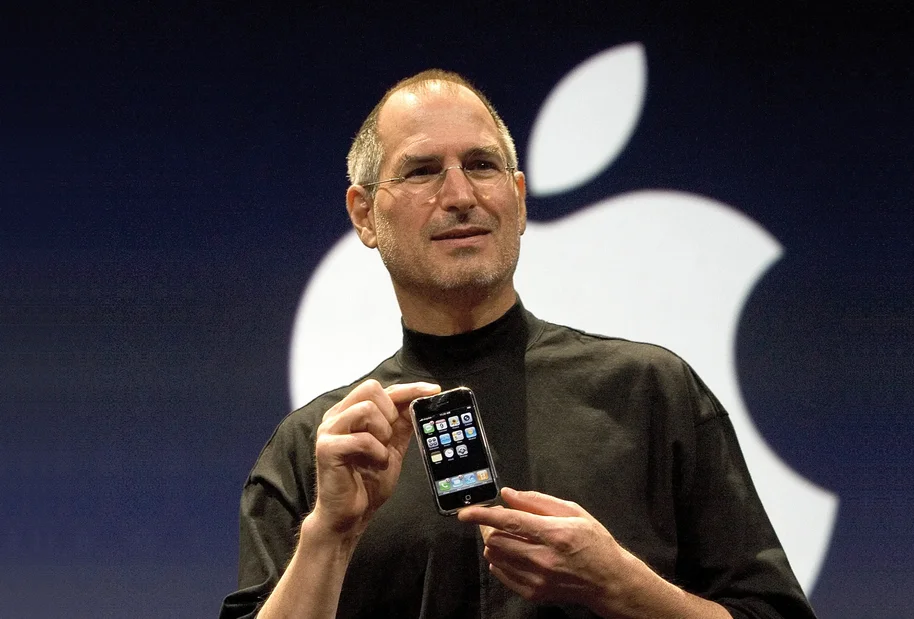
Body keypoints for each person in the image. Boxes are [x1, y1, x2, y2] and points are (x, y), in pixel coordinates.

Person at [220, 70, 817, 619]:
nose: (459, 196)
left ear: (519, 197)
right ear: (365, 214)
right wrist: (329, 534)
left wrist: (623, 587)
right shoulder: (323, 448)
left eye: (481, 165)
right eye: (423, 170)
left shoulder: (650, 391)